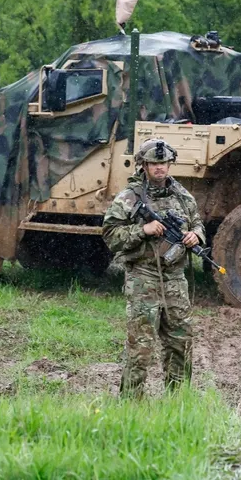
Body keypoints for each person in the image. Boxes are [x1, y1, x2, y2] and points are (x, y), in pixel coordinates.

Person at [102, 139, 205, 398]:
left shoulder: (182, 195)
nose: (160, 168)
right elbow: (110, 234)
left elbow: (198, 224)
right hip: (143, 277)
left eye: (164, 163)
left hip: (174, 278)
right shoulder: (130, 197)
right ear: (144, 165)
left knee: (180, 341)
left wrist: (196, 236)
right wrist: (142, 230)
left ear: (170, 164)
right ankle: (131, 404)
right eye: (154, 163)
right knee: (141, 346)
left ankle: (177, 400)